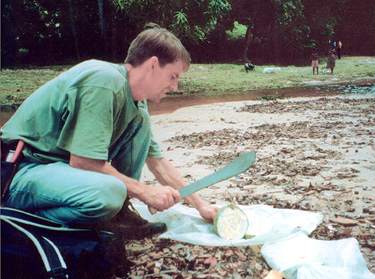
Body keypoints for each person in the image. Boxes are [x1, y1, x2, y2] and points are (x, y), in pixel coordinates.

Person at [0, 25, 219, 240]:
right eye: (173, 76)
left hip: (59, 173)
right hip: (20, 171)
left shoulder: (136, 103)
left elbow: (158, 163)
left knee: (139, 126)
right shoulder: (103, 81)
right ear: (153, 64)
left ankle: (118, 214)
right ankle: (19, 221)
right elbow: (83, 161)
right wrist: (144, 192)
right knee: (108, 194)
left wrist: (201, 206)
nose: (175, 86)